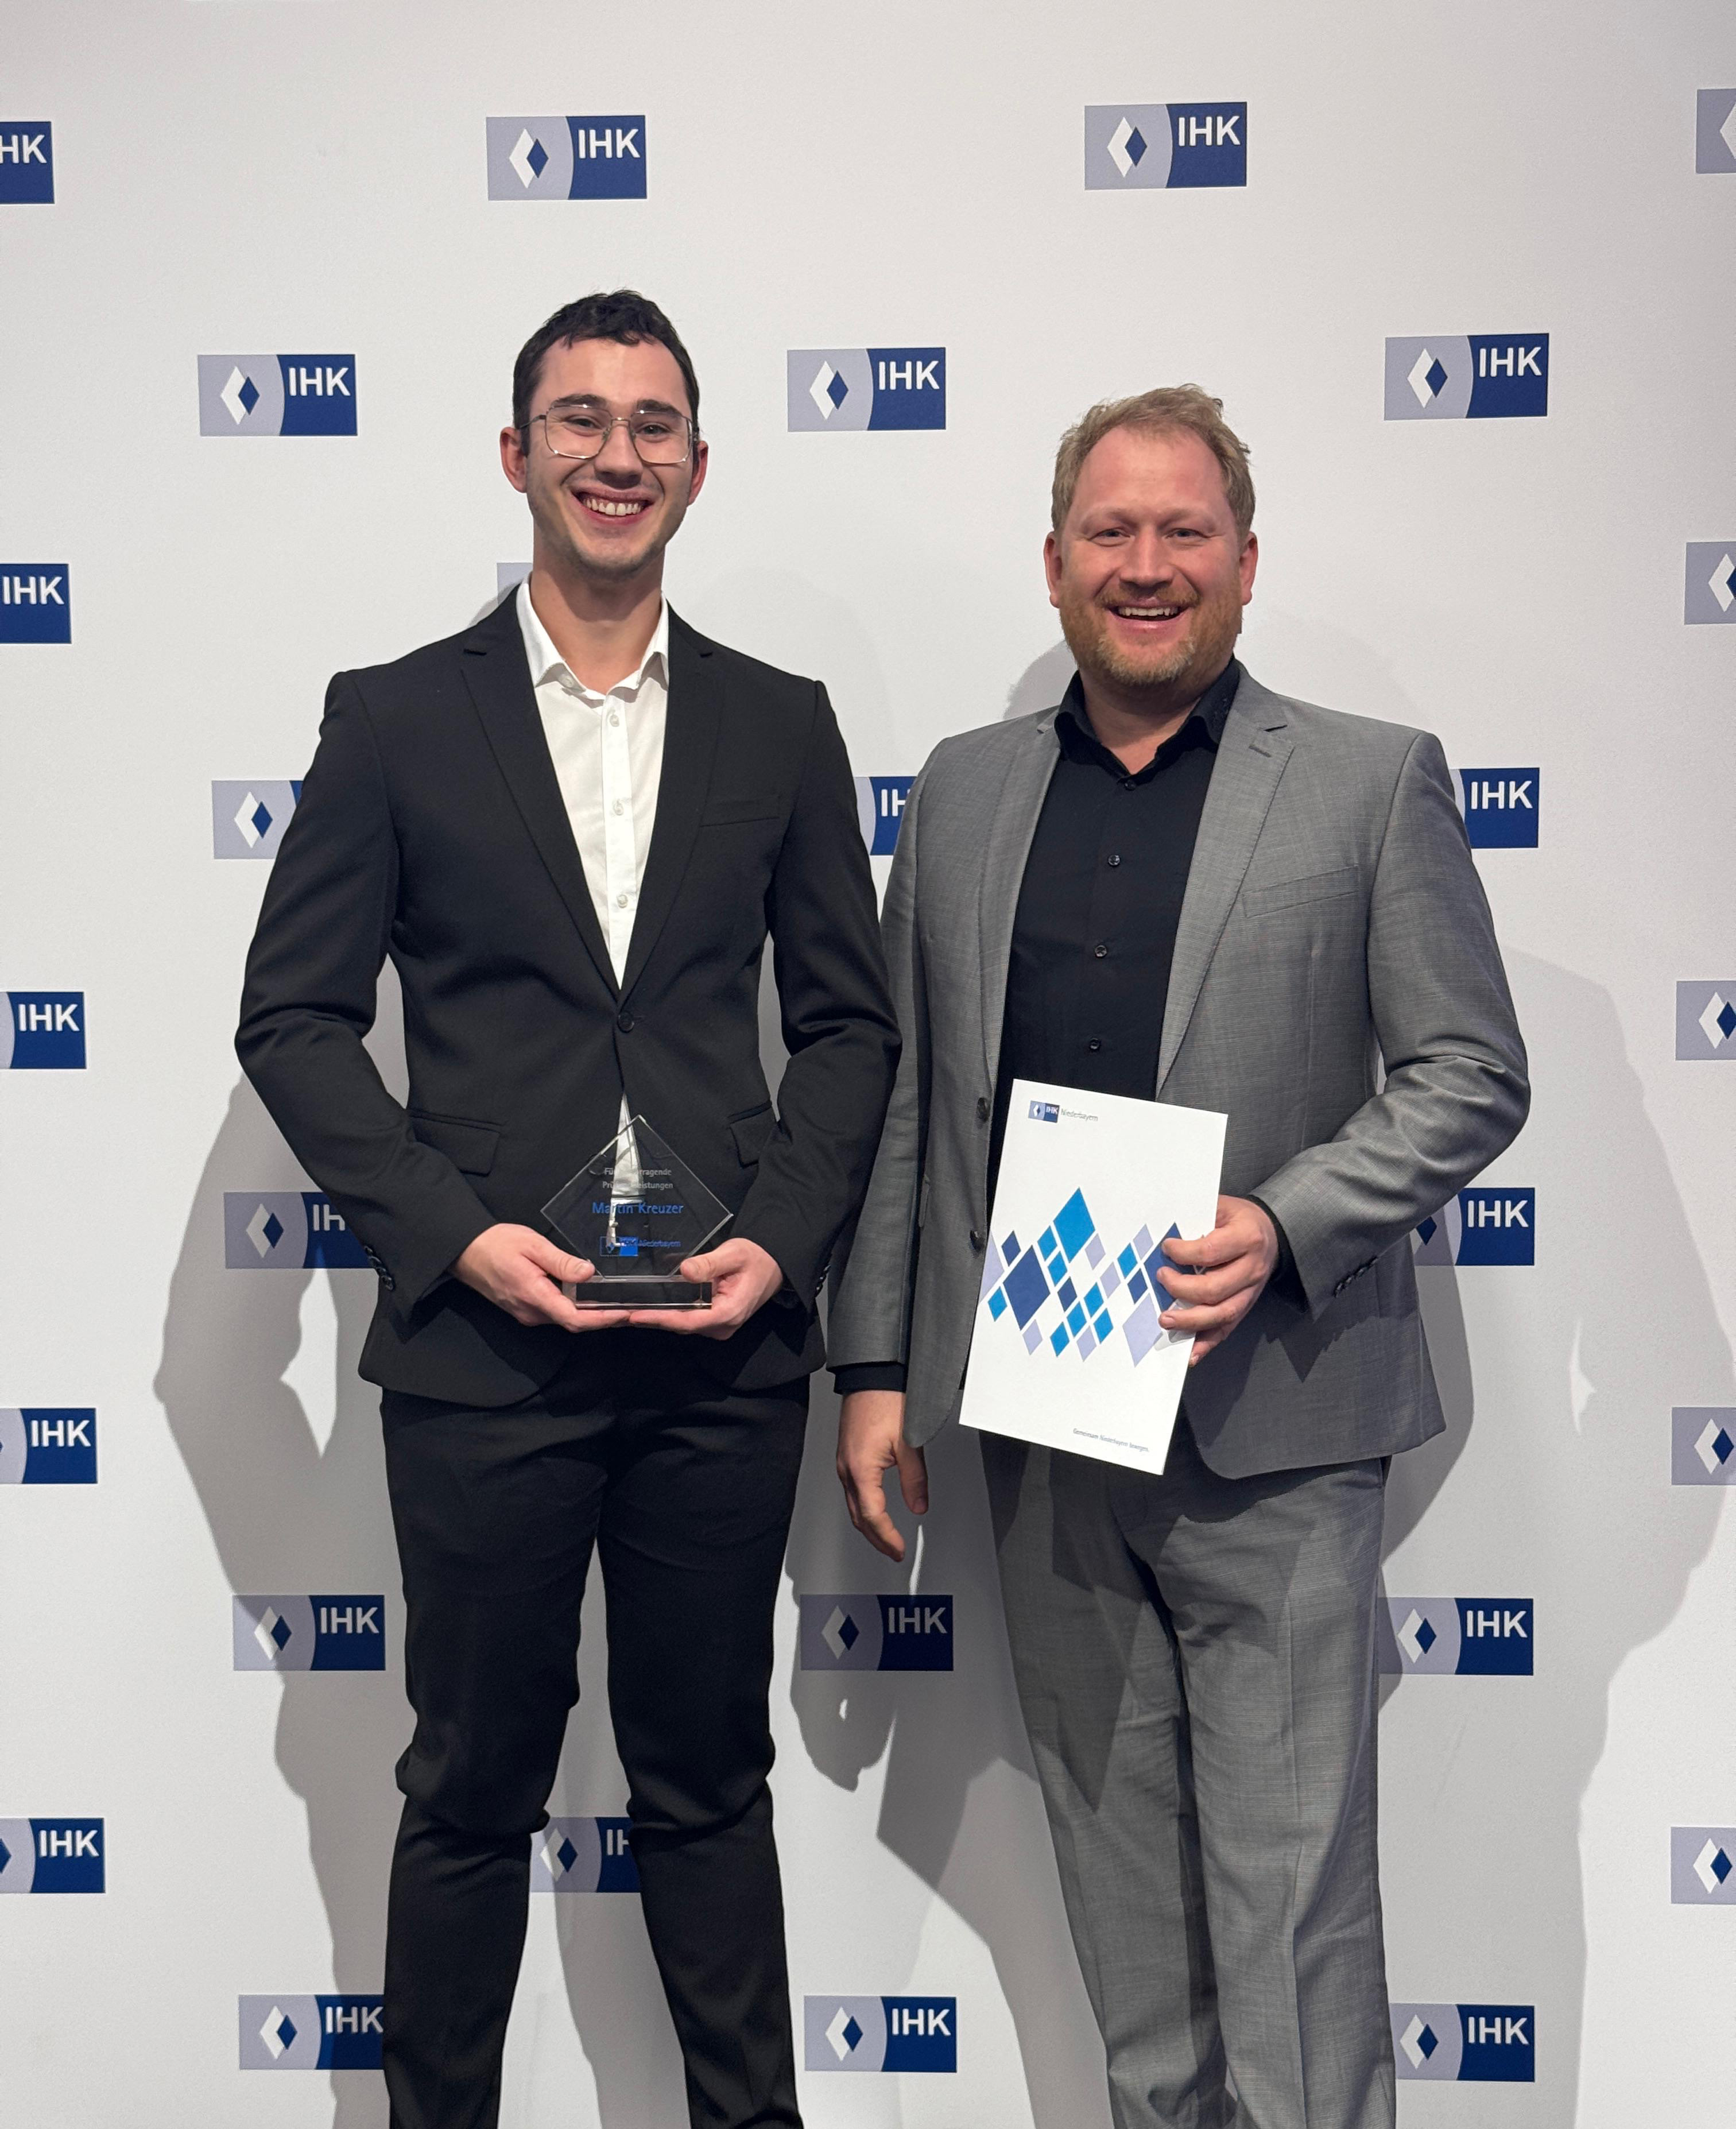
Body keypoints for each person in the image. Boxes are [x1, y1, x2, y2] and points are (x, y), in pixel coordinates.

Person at [828, 386, 1528, 2129]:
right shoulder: (967, 790)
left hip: (1274, 1431)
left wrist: (1286, 1222)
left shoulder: (1369, 780)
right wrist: (876, 1369)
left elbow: (1470, 1072)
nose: (1148, 565)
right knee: (1131, 1952)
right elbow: (914, 1098)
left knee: (1295, 1941)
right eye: (1113, 532)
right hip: (1046, 1434)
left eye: (1184, 532)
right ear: (1055, 563)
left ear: (1247, 561)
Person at [237, 289, 899, 2129]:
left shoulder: (781, 724)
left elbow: (852, 1024)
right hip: (482, 1362)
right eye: (583, 420)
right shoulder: (394, 719)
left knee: (709, 1790)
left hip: (718, 1356)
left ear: (700, 464)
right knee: (467, 1792)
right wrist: (449, 1231)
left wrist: (783, 1234)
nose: (620, 453)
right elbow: (290, 1018)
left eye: (654, 423)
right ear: (518, 453)